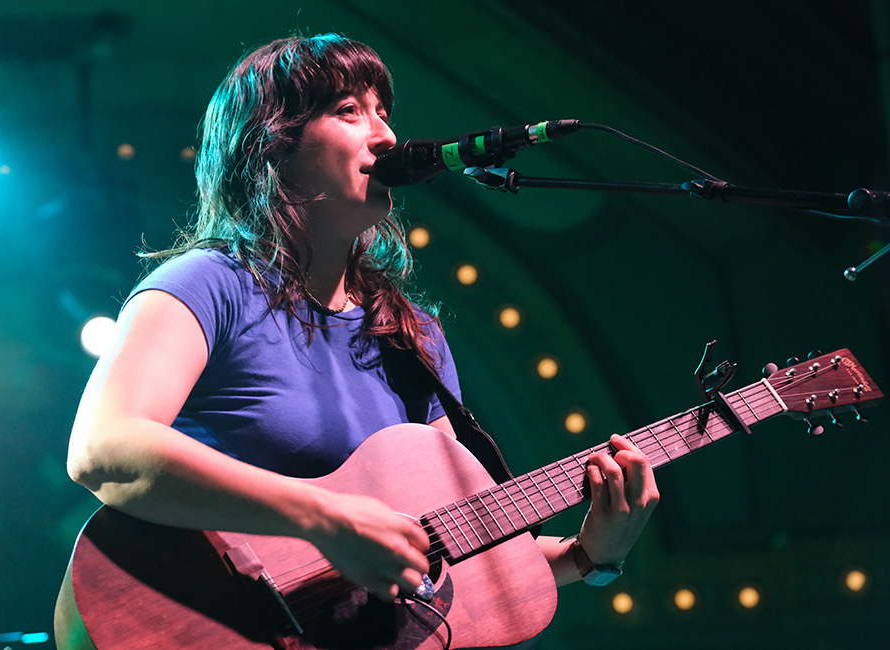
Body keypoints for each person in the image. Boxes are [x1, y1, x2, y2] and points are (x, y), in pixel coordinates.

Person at [66, 32, 658, 622]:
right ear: (271, 145)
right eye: (349, 111)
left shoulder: (413, 337)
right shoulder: (208, 283)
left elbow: (446, 554)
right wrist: (326, 519)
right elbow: (103, 448)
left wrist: (590, 556)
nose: (387, 136)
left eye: (383, 112)